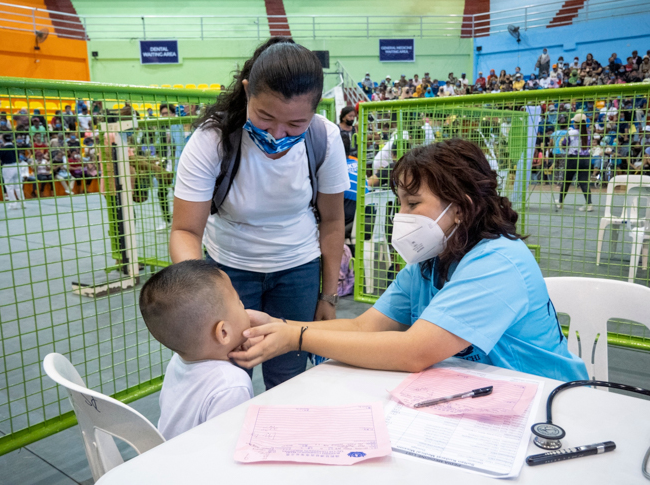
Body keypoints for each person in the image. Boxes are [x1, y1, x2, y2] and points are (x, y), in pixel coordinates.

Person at [229, 139, 589, 383]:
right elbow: (362, 328)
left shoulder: (497, 263)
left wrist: (297, 337)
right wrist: (278, 326)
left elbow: (414, 351)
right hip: (480, 396)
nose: (401, 214)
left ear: (460, 208)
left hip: (546, 403)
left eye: (413, 204)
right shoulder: (428, 264)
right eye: (400, 202)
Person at [169, 37, 349, 390]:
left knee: (289, 375)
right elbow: (185, 231)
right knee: (227, 376)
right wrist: (206, 296)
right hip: (230, 273)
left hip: (299, 271)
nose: (276, 135)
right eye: (265, 116)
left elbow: (332, 221)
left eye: (295, 124)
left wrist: (328, 296)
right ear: (248, 90)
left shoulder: (324, 138)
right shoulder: (212, 140)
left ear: (315, 110)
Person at [139, 260, 253, 440]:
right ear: (223, 332)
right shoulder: (231, 384)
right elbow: (228, 448)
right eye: (239, 303)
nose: (244, 307)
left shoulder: (178, 361)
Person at [557, 114, 592, 211]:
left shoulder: (571, 133)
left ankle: (560, 202)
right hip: (585, 159)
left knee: (566, 181)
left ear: (575, 123)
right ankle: (589, 204)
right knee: (584, 182)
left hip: (573, 158)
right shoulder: (588, 133)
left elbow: (564, 145)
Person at [0, 133, 25, 209]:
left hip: (7, 166)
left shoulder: (2, 149)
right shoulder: (15, 147)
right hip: (16, 165)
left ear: (3, 140)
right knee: (18, 185)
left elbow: (0, 160)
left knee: (9, 186)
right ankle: (23, 203)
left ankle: (13, 204)